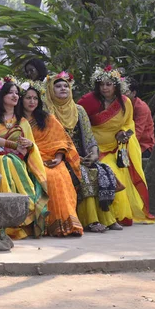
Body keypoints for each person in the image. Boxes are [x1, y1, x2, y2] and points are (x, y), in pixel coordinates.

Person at [78, 65, 155, 225]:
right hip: (94, 150)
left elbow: (128, 123)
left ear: (116, 85)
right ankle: (107, 218)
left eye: (109, 84)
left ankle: (117, 217)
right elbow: (77, 120)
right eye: (102, 84)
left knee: (116, 174)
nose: (105, 88)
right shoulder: (88, 101)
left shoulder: (125, 102)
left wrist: (123, 133)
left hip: (115, 149)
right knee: (107, 172)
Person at [45, 72, 120, 232]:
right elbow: (48, 140)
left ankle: (107, 219)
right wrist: (69, 155)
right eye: (58, 86)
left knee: (101, 170)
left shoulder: (79, 110)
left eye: (66, 86)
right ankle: (90, 220)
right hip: (59, 155)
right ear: (51, 90)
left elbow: (89, 137)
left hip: (82, 156)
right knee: (84, 173)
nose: (63, 88)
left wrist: (93, 153)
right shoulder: (47, 111)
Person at [0, 77, 48, 239]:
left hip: (18, 159)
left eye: (17, 93)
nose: (15, 96)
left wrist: (28, 144)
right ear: (2, 96)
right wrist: (12, 146)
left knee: (9, 161)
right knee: (3, 161)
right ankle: (10, 213)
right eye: (10, 93)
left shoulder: (22, 120)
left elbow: (30, 145)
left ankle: (24, 212)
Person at [20, 82, 83, 237]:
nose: (32, 101)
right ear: (21, 100)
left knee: (60, 175)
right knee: (49, 178)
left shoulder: (47, 118)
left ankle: (69, 223)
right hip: (31, 158)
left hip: (52, 157)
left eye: (35, 98)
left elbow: (62, 140)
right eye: (28, 98)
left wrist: (59, 156)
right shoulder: (16, 121)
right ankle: (49, 225)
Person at [126, 79, 154, 158]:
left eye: (126, 92)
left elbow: (137, 131)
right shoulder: (123, 104)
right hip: (126, 142)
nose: (122, 94)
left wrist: (123, 142)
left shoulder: (141, 107)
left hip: (143, 146)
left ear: (134, 93)